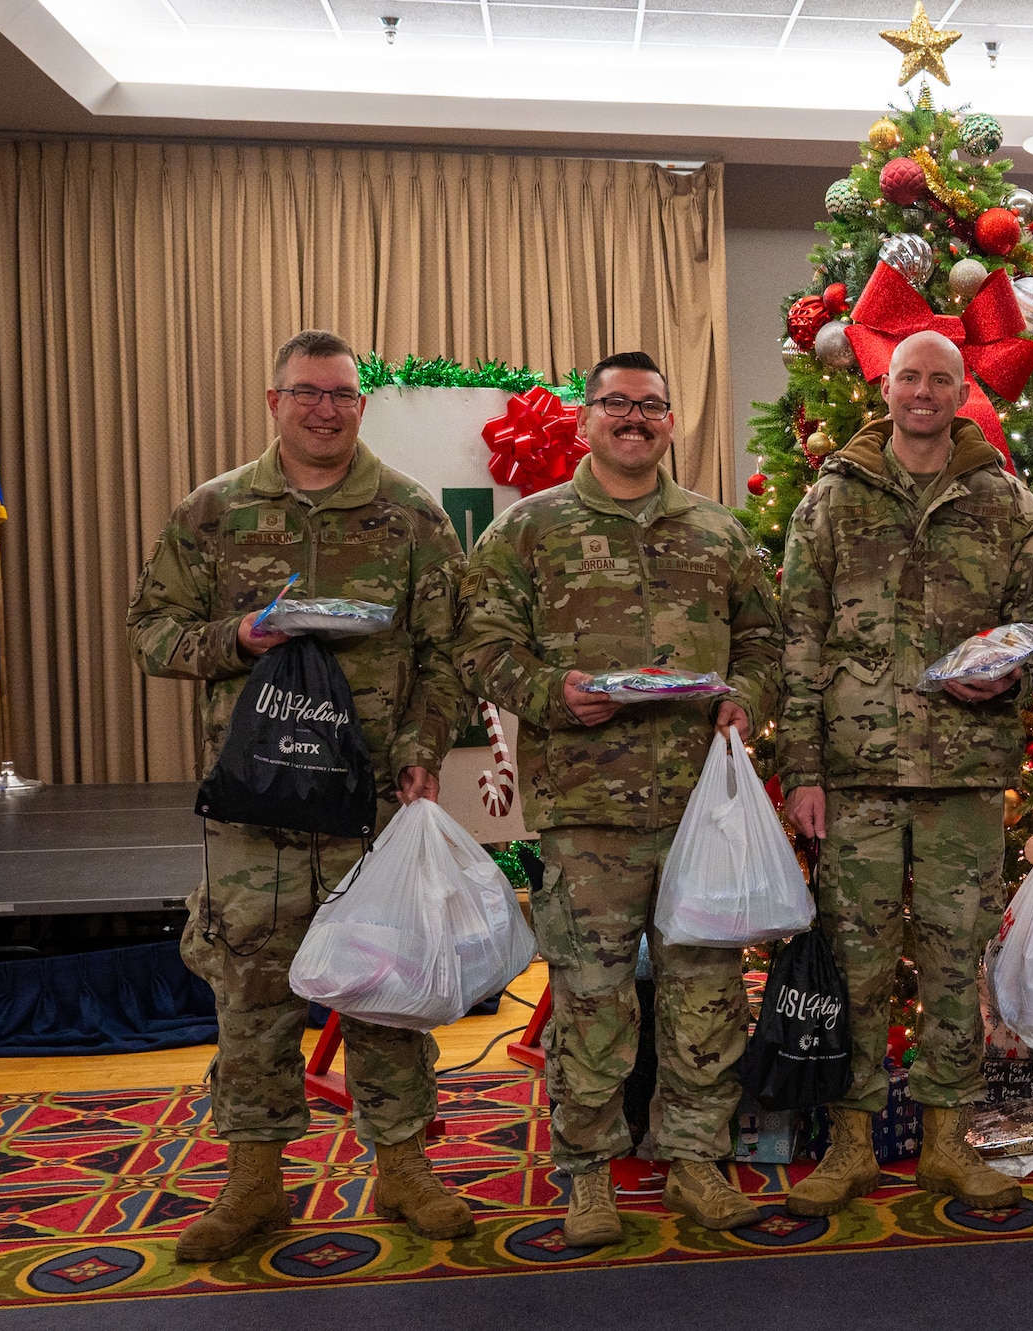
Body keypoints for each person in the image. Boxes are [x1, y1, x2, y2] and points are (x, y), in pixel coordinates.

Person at [128, 329, 472, 1261]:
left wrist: (421, 745)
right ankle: (253, 1185)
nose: (325, 409)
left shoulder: (411, 515)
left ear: (362, 405)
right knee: (250, 995)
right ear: (272, 400)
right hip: (257, 809)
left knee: (386, 995)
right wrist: (238, 635)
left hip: (372, 811)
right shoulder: (214, 512)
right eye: (307, 392)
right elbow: (151, 635)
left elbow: (453, 655)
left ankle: (402, 1167)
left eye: (342, 395)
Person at [458, 351, 782, 1245]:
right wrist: (551, 691)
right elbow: (479, 647)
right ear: (585, 418)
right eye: (616, 404)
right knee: (593, 1002)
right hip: (585, 814)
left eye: (650, 406)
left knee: (706, 995)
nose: (633, 419)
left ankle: (695, 1162)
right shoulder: (528, 531)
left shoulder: (720, 532)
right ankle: (589, 1175)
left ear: (671, 422)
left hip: (699, 813)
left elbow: (765, 639)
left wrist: (744, 698)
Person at [778, 330, 1033, 1218]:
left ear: (964, 389)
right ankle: (853, 1141)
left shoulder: (1004, 501)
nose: (923, 392)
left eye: (940, 378)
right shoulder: (833, 498)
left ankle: (945, 1139)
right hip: (855, 773)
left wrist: (1015, 671)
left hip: (967, 772)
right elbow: (798, 636)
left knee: (952, 956)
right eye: (909, 378)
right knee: (855, 961)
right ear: (885, 387)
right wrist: (802, 769)